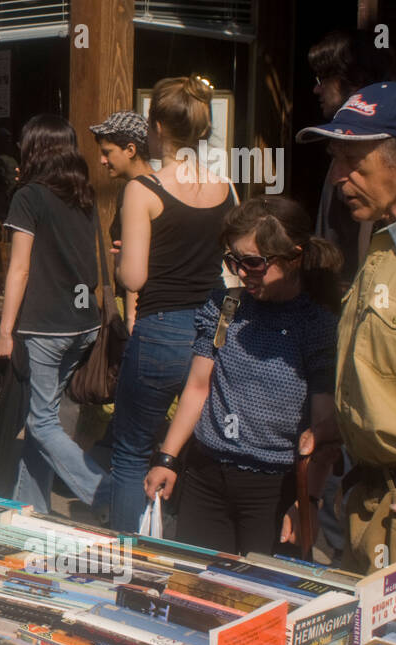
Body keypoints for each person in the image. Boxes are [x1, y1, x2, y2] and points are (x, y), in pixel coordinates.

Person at [297, 81, 396, 603]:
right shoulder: (383, 239)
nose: (337, 178)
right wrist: (340, 430)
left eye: (353, 159)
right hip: (370, 509)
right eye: (335, 159)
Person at [143, 197, 341, 554]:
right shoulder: (225, 306)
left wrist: (308, 500)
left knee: (262, 595)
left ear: (294, 257)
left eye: (253, 262)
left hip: (274, 487)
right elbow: (198, 387)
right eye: (233, 260)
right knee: (194, 586)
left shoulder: (316, 324)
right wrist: (167, 458)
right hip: (206, 475)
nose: (241, 271)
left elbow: (324, 423)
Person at [109, 76, 236, 533]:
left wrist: (121, 256)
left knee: (130, 452)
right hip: (213, 331)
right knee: (186, 450)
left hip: (161, 329)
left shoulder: (143, 189)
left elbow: (135, 278)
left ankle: (125, 557)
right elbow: (233, 272)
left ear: (156, 126)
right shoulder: (225, 188)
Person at [0, 115, 107, 515]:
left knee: (41, 423)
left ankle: (108, 495)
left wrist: (5, 330)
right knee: (41, 421)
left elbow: (19, 268)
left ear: (33, 149)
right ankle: (31, 511)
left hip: (45, 327)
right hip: (84, 325)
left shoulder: (28, 197)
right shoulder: (83, 195)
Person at [307, 30, 396, 281]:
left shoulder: (383, 149)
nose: (316, 89)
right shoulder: (342, 143)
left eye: (323, 78)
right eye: (338, 156)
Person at [90, 109, 152, 333]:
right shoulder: (148, 188)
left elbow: (135, 259)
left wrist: (131, 320)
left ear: (130, 150)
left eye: (108, 152)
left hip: (142, 310)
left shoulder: (138, 193)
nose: (102, 160)